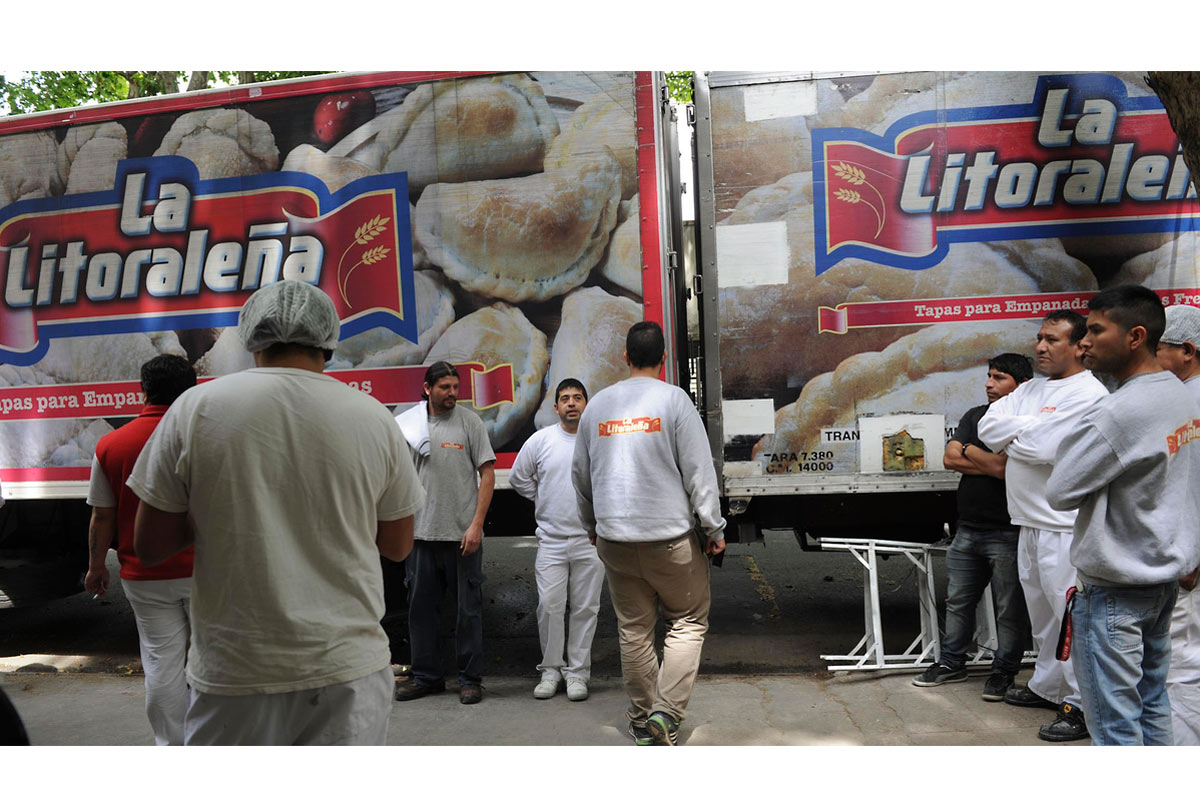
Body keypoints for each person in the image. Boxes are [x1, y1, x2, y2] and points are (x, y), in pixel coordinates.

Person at [128, 280, 424, 745]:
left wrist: (219, 508)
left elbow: (149, 546)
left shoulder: (195, 408)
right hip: (345, 669)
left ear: (250, 338)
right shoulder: (373, 417)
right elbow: (397, 544)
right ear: (328, 340)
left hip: (236, 670)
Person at [1047, 286, 1200, 745]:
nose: (1084, 342)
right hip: (1161, 582)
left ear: (1135, 336)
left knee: (1115, 727)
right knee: (1153, 704)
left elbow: (1059, 490)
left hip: (1115, 590)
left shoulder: (1119, 412)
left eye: (1095, 330)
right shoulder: (1181, 395)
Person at [572, 320, 726, 746]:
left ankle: (642, 721)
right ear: (663, 358)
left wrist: (591, 527)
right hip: (670, 541)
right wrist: (713, 526)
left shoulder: (597, 407)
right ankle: (666, 713)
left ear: (625, 357)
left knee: (634, 630)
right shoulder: (674, 401)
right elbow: (699, 472)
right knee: (688, 621)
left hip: (615, 541)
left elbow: (581, 477)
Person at [977, 309, 1108, 742]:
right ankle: (1048, 686)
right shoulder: (1030, 389)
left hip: (1063, 526)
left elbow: (1048, 446)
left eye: (1052, 340)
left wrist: (1021, 436)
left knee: (1071, 619)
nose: (1040, 347)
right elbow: (987, 427)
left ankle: (1081, 705)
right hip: (1029, 521)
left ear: (1079, 346)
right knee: (1043, 617)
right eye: (1039, 338)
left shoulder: (1088, 394)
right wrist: (1027, 432)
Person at [84, 354, 196, 746]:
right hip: (207, 574)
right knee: (210, 662)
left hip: (144, 577)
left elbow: (103, 516)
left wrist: (97, 565)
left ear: (142, 391)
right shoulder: (205, 437)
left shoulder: (111, 445)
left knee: (161, 665)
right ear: (192, 389)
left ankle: (171, 748)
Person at [914, 353, 1033, 701]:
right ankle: (952, 663)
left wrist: (970, 451)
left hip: (1008, 531)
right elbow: (950, 458)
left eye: (999, 378)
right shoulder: (975, 416)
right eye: (989, 376)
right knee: (957, 601)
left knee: (1009, 609)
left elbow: (1001, 468)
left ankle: (1003, 673)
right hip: (967, 528)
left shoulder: (1026, 421)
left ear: (1021, 385)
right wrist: (980, 456)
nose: (988, 383)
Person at [393, 361, 496, 705]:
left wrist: (477, 525)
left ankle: (470, 679)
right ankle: (426, 677)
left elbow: (488, 474)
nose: (453, 393)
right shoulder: (408, 426)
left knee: (468, 612)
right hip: (420, 536)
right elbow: (396, 477)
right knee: (421, 611)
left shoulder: (470, 423)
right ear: (427, 388)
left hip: (462, 537)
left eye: (455, 386)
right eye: (445, 387)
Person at [510, 378, 605, 702]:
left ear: (585, 404)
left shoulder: (597, 442)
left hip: (590, 540)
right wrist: (543, 499)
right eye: (565, 398)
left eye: (577, 397)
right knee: (549, 607)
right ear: (556, 407)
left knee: (585, 609)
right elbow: (518, 477)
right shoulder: (541, 440)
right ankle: (551, 672)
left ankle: (577, 674)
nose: (571, 403)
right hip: (550, 540)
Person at [1156, 303, 1200, 744]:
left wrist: (1191, 553)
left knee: (1183, 667)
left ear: (1187, 350)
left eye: (1159, 348)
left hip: (1190, 565)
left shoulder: (1189, 403)